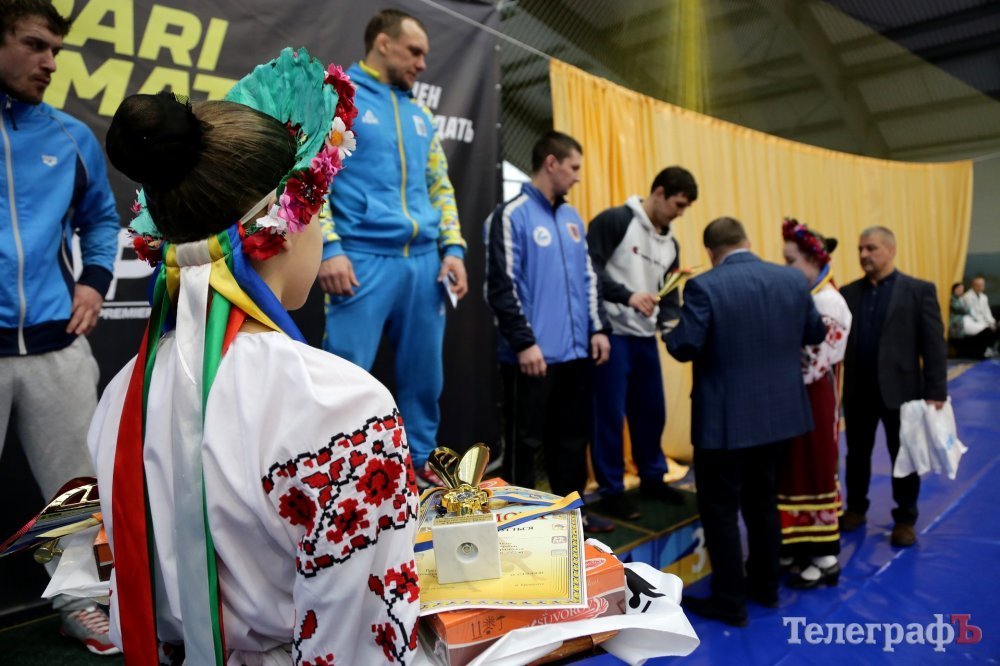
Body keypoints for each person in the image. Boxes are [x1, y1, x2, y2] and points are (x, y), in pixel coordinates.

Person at [89, 49, 418, 663]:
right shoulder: (341, 406)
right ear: (284, 224)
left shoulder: (122, 396)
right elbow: (358, 641)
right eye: (320, 210)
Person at [0, 0, 119, 654]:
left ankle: (80, 604)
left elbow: (101, 218)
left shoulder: (71, 136)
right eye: (34, 45)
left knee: (74, 490)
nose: (49, 62)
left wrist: (94, 280)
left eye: (55, 49)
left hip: (56, 344)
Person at [317, 9, 467, 486]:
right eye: (414, 51)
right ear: (383, 43)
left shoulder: (420, 114)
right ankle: (338, 471)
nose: (422, 63)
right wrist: (328, 248)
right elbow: (312, 175)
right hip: (361, 258)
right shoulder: (341, 99)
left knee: (425, 377)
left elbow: (439, 185)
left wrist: (453, 248)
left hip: (424, 263)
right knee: (344, 376)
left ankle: (421, 462)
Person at [665, 217, 826, 627]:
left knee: (720, 509)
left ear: (710, 252)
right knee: (763, 502)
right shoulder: (792, 280)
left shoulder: (704, 286)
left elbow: (684, 346)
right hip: (778, 417)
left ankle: (730, 601)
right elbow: (815, 332)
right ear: (748, 241)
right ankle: (766, 588)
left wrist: (668, 323)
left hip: (723, 422)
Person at [484, 130, 613, 533]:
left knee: (573, 440)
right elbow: (501, 287)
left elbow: (589, 277)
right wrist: (524, 343)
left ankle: (573, 519)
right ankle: (522, 526)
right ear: (551, 163)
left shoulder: (573, 218)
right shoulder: (511, 215)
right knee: (525, 444)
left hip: (576, 354)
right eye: (573, 167)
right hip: (532, 357)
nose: (577, 176)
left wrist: (598, 328)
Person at [586, 166, 698, 521]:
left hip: (645, 338)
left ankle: (652, 478)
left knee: (651, 411)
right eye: (678, 205)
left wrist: (672, 328)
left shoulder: (671, 244)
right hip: (612, 334)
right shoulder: (616, 221)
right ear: (659, 193)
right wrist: (628, 296)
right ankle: (611, 490)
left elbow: (670, 294)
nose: (680, 213)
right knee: (609, 416)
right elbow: (589, 271)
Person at [839, 226, 947, 548]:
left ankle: (905, 519)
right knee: (856, 455)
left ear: (890, 250)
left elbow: (933, 345)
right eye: (860, 249)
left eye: (871, 248)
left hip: (902, 391)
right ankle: (855, 508)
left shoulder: (918, 291)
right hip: (858, 391)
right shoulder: (847, 293)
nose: (864, 255)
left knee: (904, 455)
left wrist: (936, 391)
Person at [776, 219, 852, 589]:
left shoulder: (829, 302)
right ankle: (797, 546)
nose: (787, 268)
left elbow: (811, 364)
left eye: (791, 261)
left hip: (814, 400)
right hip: (797, 398)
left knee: (815, 470)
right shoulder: (811, 295)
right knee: (794, 470)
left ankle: (824, 556)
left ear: (812, 259)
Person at [960, 276, 998, 358]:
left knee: (995, 327)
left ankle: (990, 348)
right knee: (987, 330)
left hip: (983, 321)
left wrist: (992, 322)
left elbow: (987, 312)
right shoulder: (967, 297)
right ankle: (983, 351)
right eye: (979, 285)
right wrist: (986, 324)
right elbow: (972, 314)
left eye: (982, 285)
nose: (981, 287)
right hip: (973, 322)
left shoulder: (984, 297)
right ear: (973, 285)